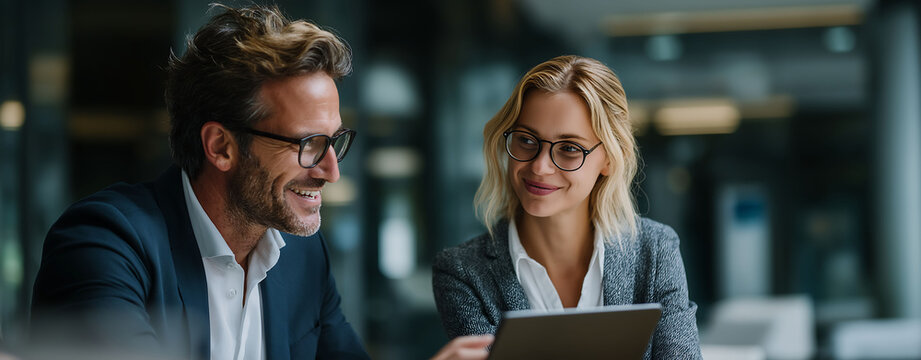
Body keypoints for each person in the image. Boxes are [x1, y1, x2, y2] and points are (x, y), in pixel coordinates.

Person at [29, 4, 491, 360]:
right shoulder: (105, 243)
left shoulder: (303, 257)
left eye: (335, 141)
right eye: (308, 143)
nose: (331, 170)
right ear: (221, 147)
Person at [432, 55, 702, 358]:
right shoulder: (463, 272)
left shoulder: (654, 251)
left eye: (569, 148)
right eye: (526, 140)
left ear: (611, 159)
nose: (540, 167)